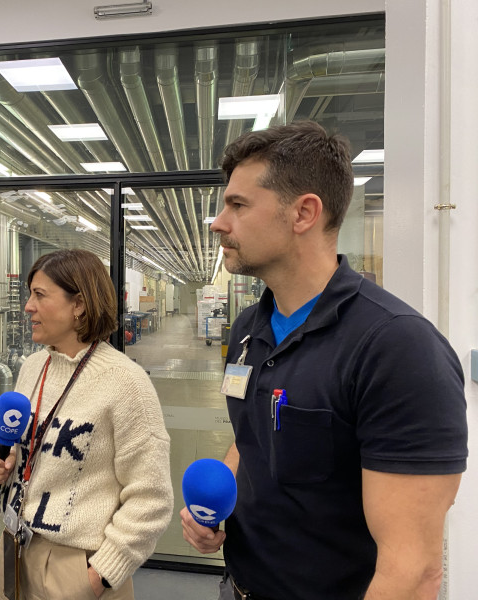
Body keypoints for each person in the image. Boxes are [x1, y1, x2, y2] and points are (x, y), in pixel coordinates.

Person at [181, 121, 468, 600]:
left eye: (238, 205)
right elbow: (251, 434)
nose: (218, 222)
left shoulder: (395, 349)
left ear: (303, 213)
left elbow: (412, 572)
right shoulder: (250, 327)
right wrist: (223, 509)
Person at [0, 249, 173, 600]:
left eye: (40, 295)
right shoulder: (32, 368)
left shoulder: (125, 383)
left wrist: (100, 575)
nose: (28, 306)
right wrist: (0, 463)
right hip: (16, 547)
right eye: (29, 294)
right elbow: (32, 449)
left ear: (79, 305)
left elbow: (151, 497)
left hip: (78, 566)